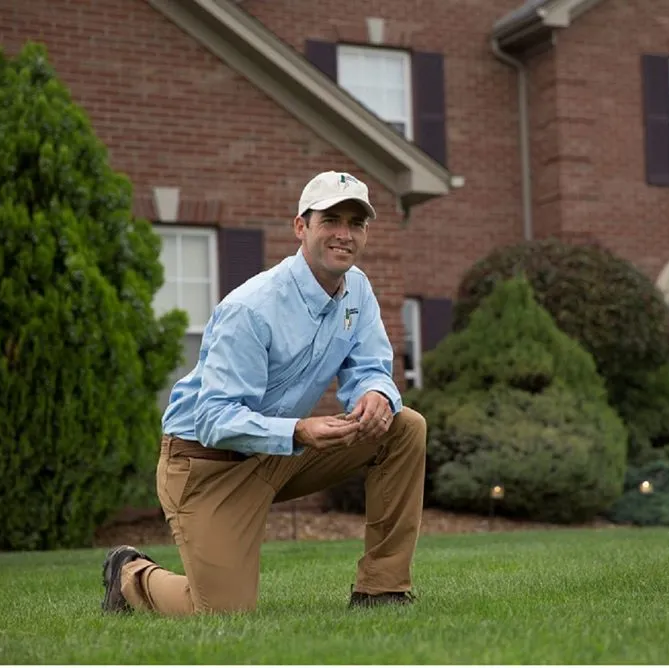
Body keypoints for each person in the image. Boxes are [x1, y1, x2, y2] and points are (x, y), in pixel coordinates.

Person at [99, 171, 427, 615]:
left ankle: (381, 589)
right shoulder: (251, 308)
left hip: (281, 453)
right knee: (221, 613)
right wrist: (297, 430)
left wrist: (376, 394)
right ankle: (130, 576)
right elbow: (214, 418)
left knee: (403, 427)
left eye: (356, 223)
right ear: (301, 227)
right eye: (331, 219)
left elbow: (371, 367)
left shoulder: (358, 291)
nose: (344, 234)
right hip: (205, 464)